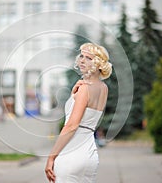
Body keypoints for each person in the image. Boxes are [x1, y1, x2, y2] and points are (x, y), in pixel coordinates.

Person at [45, 43, 112, 182]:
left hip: (71, 155)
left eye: (88, 58)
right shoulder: (103, 88)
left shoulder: (84, 89)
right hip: (90, 156)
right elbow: (87, 117)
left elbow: (71, 126)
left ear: (98, 63)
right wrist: (73, 96)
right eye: (81, 55)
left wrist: (52, 156)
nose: (82, 60)